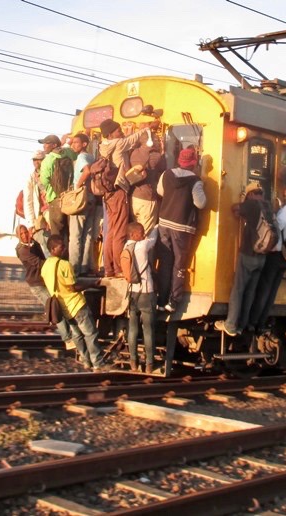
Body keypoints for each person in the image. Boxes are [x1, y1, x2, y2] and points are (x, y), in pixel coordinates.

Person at [98, 118, 158, 277]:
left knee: (111, 232)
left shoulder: (103, 146)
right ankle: (119, 268)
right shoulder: (117, 143)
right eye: (118, 130)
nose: (122, 132)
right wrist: (147, 129)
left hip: (109, 194)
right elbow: (132, 139)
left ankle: (108, 267)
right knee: (119, 233)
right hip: (119, 192)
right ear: (111, 134)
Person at [42, 234, 108, 371]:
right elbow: (73, 287)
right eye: (62, 246)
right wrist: (92, 284)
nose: (65, 249)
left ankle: (85, 361)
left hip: (63, 307)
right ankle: (98, 363)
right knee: (91, 333)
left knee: (77, 335)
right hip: (76, 304)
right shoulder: (65, 265)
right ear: (53, 248)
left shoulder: (45, 266)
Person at [214, 183, 270, 336]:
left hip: (248, 254)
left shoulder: (251, 204)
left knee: (238, 290)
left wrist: (243, 201)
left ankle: (231, 324)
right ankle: (243, 325)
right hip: (262, 257)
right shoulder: (268, 207)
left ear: (250, 194)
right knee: (250, 291)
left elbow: (234, 208)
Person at [156, 146, 207, 312]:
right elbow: (201, 203)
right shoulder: (196, 181)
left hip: (164, 222)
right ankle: (174, 301)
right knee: (179, 263)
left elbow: (160, 191)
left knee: (165, 261)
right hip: (182, 227)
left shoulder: (167, 174)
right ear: (193, 163)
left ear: (179, 160)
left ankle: (161, 300)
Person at [248, 186, 286, 333]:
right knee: (272, 292)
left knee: (264, 289)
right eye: (284, 196)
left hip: (275, 254)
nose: (285, 199)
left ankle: (253, 321)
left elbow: (275, 228)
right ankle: (262, 322)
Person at [14, 224, 73, 349]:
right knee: (55, 308)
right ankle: (68, 339)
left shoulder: (33, 243)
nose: (25, 235)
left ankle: (71, 335)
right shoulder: (22, 250)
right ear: (17, 237)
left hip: (44, 280)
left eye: (26, 232)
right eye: (22, 234)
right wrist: (55, 264)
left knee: (61, 305)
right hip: (37, 284)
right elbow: (39, 263)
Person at [124, 222, 158, 373]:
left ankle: (133, 362)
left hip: (132, 293)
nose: (143, 234)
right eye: (140, 232)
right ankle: (149, 364)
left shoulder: (126, 247)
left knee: (132, 329)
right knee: (148, 330)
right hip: (146, 292)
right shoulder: (143, 246)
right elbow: (154, 238)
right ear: (133, 234)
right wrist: (157, 226)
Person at [68, 133, 100, 276]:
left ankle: (74, 268)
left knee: (75, 236)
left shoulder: (81, 157)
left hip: (81, 199)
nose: (73, 145)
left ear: (84, 144)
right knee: (87, 234)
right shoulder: (91, 157)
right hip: (91, 198)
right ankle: (85, 267)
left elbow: (86, 172)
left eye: (76, 142)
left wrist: (78, 187)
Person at [38, 134, 77, 240]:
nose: (44, 146)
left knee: (57, 233)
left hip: (55, 199)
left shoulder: (48, 160)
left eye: (46, 143)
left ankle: (58, 256)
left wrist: (49, 190)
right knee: (69, 232)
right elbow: (75, 156)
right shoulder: (68, 153)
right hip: (70, 198)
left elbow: (44, 180)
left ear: (54, 145)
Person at [129, 132, 166, 236]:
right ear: (151, 141)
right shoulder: (156, 156)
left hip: (134, 197)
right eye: (156, 140)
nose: (158, 142)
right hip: (147, 199)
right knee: (145, 234)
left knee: (135, 232)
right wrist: (163, 150)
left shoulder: (133, 153)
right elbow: (164, 169)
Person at [22, 150, 50, 256]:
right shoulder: (31, 177)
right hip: (40, 213)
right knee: (42, 239)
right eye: (34, 160)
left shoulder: (49, 171)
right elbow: (28, 200)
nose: (36, 162)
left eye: (39, 160)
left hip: (52, 209)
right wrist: (30, 222)